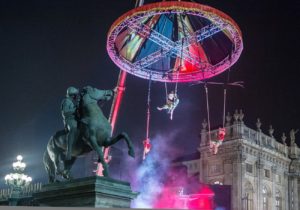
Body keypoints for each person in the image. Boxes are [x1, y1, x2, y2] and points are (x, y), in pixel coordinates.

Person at [61, 86, 80, 160]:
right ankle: (69, 151)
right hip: (69, 120)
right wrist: (75, 109)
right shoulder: (66, 101)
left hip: (75, 119)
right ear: (72, 95)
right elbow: (65, 112)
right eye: (75, 95)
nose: (76, 96)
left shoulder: (71, 102)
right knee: (74, 129)